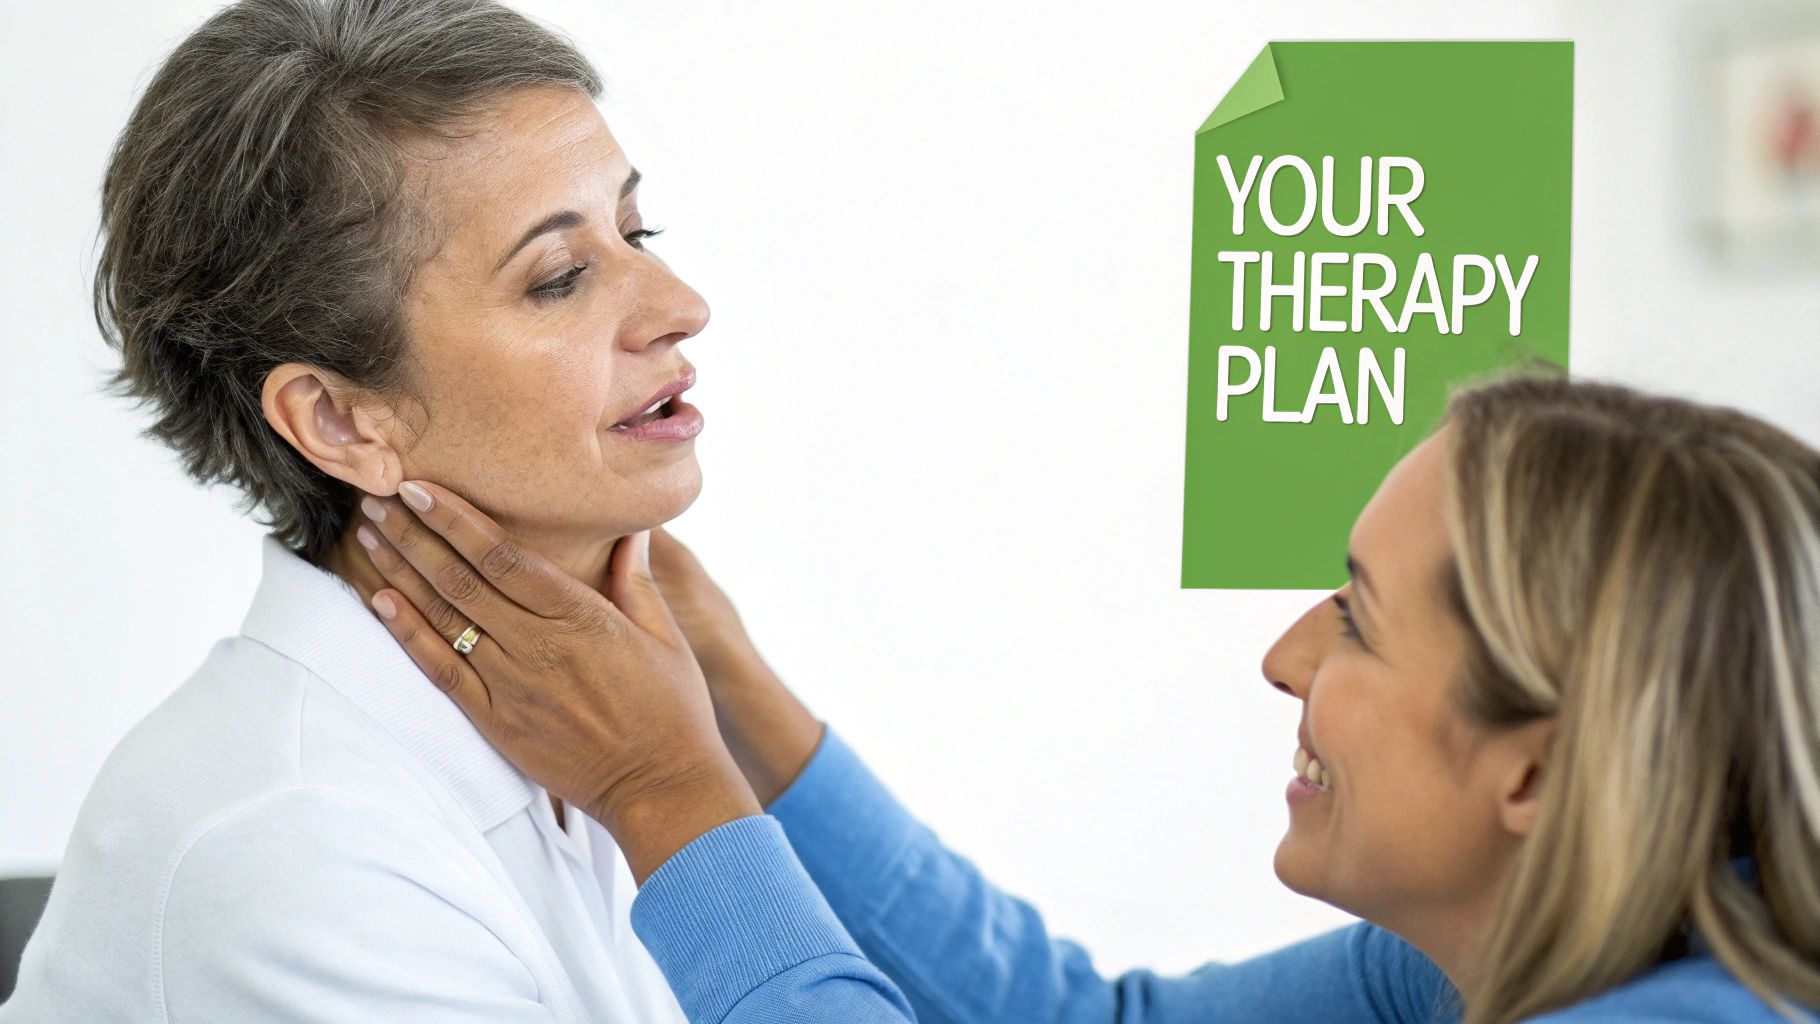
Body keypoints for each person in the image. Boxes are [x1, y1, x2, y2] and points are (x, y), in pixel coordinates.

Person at [348, 370, 1820, 1024]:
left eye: (1360, 620)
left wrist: (671, 797)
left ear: (1540, 781)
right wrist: (727, 687)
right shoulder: (1482, 967)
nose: (1286, 658)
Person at [2, 0, 714, 1019]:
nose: (680, 304)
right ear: (338, 419)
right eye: (559, 278)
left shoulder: (581, 718)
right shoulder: (302, 845)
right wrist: (673, 785)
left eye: (637, 230)